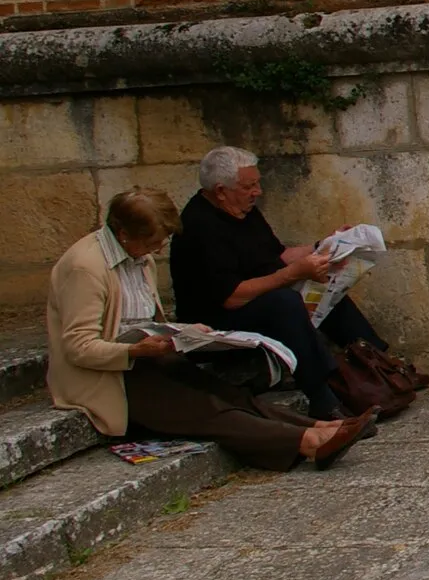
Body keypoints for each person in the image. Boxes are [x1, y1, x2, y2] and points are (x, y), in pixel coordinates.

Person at [47, 188, 371, 470]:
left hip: (146, 357)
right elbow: (78, 346)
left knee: (227, 393)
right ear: (124, 234)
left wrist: (186, 335)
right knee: (206, 410)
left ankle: (323, 426)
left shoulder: (137, 256)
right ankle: (309, 441)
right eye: (152, 242)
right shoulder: (85, 268)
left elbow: (143, 318)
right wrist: (133, 350)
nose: (158, 251)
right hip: (110, 375)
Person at [169, 146, 396, 421]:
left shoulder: (243, 210)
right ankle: (323, 398)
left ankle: (383, 367)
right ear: (221, 190)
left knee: (327, 288)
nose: (258, 192)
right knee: (285, 302)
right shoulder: (199, 226)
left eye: (257, 183)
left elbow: (277, 256)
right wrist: (293, 274)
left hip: (254, 299)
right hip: (216, 318)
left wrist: (326, 246)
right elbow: (231, 297)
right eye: (249, 186)